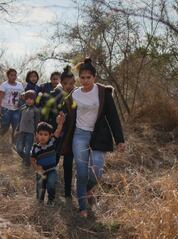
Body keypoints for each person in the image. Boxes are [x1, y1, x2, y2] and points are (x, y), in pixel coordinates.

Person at [64, 58, 125, 218]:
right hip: (80, 135)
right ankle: (82, 207)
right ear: (79, 78)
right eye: (82, 78)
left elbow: (113, 116)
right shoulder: (74, 95)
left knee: (97, 171)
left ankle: (86, 189)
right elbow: (68, 115)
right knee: (82, 172)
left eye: (88, 78)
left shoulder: (102, 92)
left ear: (94, 78)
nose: (85, 81)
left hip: (99, 135)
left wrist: (119, 139)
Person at [30, 114, 65, 206]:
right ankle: (40, 202)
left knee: (51, 184)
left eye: (45, 135)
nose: (43, 137)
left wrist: (60, 124)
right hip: (41, 171)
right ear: (36, 134)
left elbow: (57, 131)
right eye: (40, 134)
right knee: (40, 188)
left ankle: (51, 200)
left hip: (51, 170)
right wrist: (37, 168)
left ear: (50, 136)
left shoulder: (51, 143)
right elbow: (32, 159)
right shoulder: (35, 148)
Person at [54, 66, 77, 199]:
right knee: (53, 162)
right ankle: (49, 188)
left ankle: (68, 193)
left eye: (71, 83)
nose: (69, 86)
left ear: (74, 82)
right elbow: (50, 115)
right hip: (58, 135)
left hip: (71, 136)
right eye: (65, 83)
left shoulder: (78, 96)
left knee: (68, 165)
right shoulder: (56, 96)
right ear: (61, 83)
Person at [0, 68, 24, 144]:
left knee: (16, 127)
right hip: (6, 109)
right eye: (11, 75)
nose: (14, 77)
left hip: (16, 110)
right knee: (5, 126)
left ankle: (14, 144)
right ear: (8, 76)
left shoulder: (20, 85)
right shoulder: (4, 85)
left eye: (15, 75)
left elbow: (22, 97)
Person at [15, 90, 40, 167]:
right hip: (21, 132)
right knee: (19, 149)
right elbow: (19, 120)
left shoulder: (36, 110)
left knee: (27, 150)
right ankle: (27, 159)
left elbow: (37, 123)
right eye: (27, 99)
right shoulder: (22, 108)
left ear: (34, 100)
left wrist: (37, 134)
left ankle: (27, 164)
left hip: (30, 133)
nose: (29, 101)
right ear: (25, 99)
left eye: (31, 99)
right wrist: (17, 130)